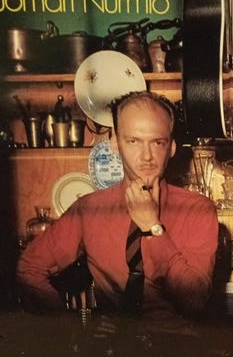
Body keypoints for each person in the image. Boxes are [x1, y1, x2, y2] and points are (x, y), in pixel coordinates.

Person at [17, 91, 219, 322]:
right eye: (133, 141)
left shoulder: (197, 210)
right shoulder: (90, 209)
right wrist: (68, 325)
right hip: (114, 342)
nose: (147, 156)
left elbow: (194, 300)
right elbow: (29, 268)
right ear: (115, 143)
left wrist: (152, 227)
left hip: (175, 342)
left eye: (157, 142)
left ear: (172, 147)